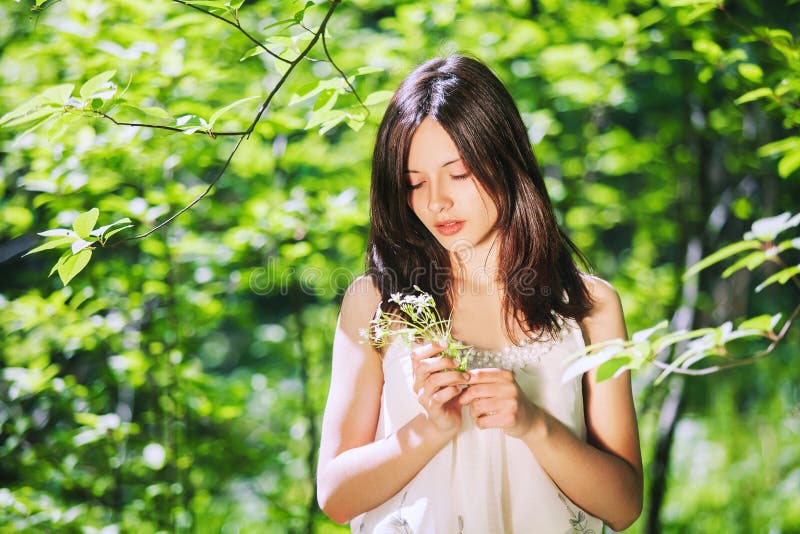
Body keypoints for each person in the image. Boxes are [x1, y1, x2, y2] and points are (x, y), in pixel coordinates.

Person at [316, 55, 643, 533]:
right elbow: (337, 497)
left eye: (460, 174)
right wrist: (432, 428)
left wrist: (535, 425)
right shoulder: (376, 304)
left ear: (506, 159)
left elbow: (624, 507)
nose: (436, 202)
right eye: (415, 183)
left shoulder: (589, 308)